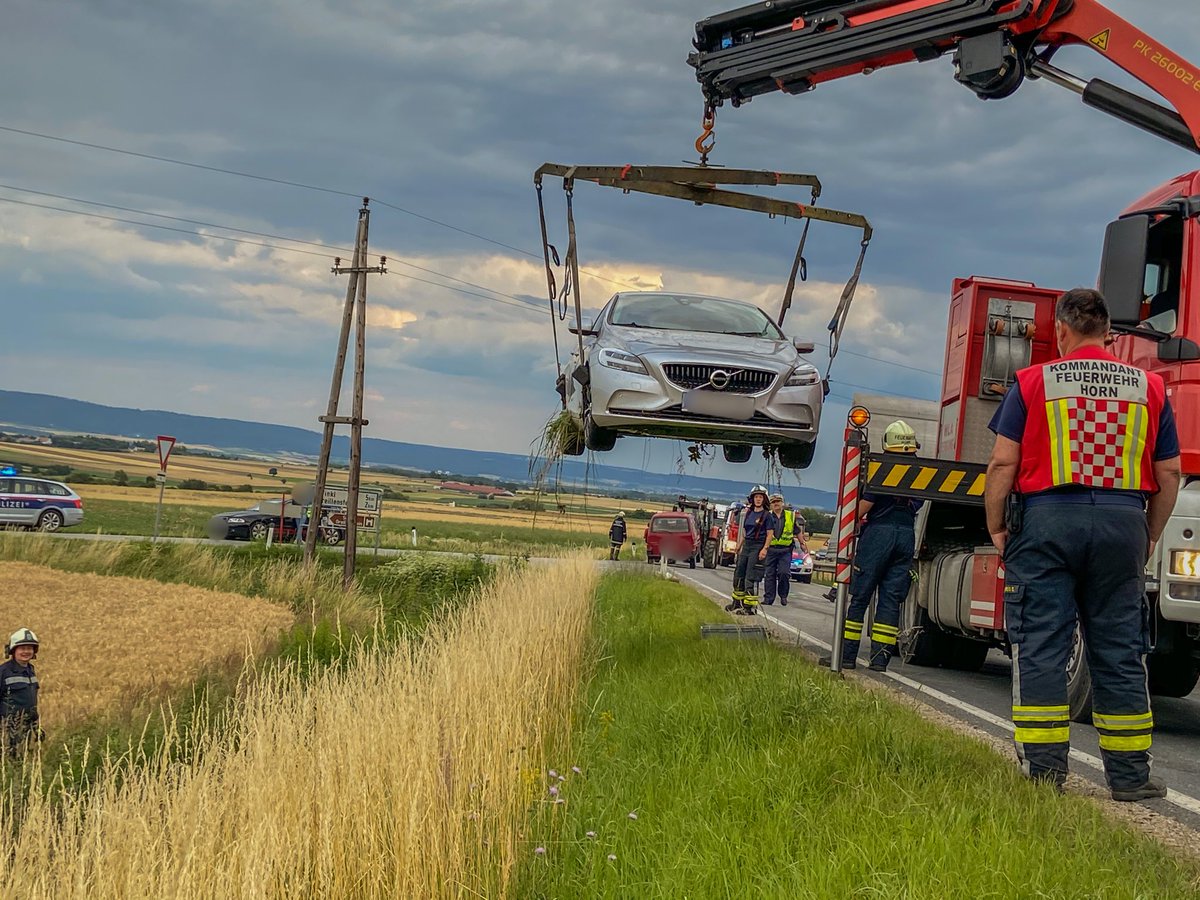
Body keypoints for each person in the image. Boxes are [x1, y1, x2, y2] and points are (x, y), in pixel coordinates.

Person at [985, 288, 1181, 801]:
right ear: (1109, 333)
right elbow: (1170, 471)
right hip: (1123, 523)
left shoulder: (1033, 382)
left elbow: (1002, 464)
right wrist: (1150, 533)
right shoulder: (1149, 386)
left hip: (1048, 521)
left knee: (1044, 644)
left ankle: (1046, 774)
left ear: (1064, 331)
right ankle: (1130, 778)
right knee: (1120, 650)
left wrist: (997, 529)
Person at [821, 421, 922, 672]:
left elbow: (865, 505)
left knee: (861, 596)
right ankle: (879, 660)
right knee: (890, 600)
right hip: (907, 535)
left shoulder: (883, 468)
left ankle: (846, 656)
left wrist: (849, 524)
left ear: (888, 444)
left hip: (879, 534)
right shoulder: (922, 472)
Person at [726, 485, 777, 616]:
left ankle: (749, 608)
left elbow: (770, 534)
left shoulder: (767, 516)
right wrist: (739, 545)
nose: (758, 499)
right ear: (752, 499)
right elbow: (745, 531)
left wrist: (765, 549)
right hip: (747, 545)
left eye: (760, 497)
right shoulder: (749, 512)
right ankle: (737, 602)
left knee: (750, 576)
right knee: (739, 574)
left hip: (758, 546)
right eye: (756, 497)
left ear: (764, 499)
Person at [0, 628, 41, 757]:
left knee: (21, 763)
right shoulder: (4, 672)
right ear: (13, 650)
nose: (26, 651)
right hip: (7, 731)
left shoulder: (30, 670)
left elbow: (30, 700)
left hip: (26, 729)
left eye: (29, 648)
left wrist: (36, 726)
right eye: (22, 648)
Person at [763, 493, 801, 607]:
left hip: (785, 550)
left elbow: (797, 531)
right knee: (770, 575)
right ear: (770, 505)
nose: (776, 504)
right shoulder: (767, 516)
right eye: (773, 502)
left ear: (782, 503)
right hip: (771, 550)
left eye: (778, 501)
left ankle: (783, 595)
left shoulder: (790, 516)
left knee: (784, 573)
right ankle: (768, 598)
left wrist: (803, 544)